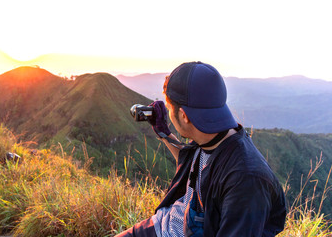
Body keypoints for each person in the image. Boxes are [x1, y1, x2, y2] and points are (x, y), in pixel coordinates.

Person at [116, 62, 286, 236]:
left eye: (169, 109)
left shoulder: (246, 182)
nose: (169, 115)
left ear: (184, 116)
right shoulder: (213, 135)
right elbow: (191, 164)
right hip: (168, 222)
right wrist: (164, 133)